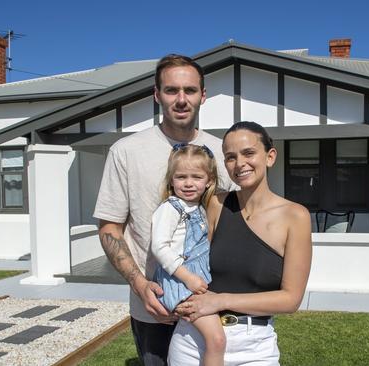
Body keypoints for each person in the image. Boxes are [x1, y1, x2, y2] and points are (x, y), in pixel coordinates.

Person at [93, 54, 233, 365]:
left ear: (203, 95)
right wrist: (139, 284)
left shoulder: (222, 153)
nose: (181, 100)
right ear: (157, 95)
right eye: (171, 90)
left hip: (209, 299)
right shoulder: (126, 152)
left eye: (190, 90)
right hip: (153, 307)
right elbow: (109, 229)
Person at [169, 121, 313, 365]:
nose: (240, 164)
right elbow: (185, 257)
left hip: (254, 346)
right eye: (230, 157)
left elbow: (291, 299)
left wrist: (221, 300)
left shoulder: (295, 217)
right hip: (194, 340)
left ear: (270, 156)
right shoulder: (216, 204)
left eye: (248, 153)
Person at [151, 143, 226, 366]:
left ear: (209, 181)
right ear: (171, 180)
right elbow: (160, 247)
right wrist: (188, 278)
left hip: (193, 281)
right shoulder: (171, 208)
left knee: (205, 339)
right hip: (180, 282)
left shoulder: (198, 208)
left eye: (196, 177)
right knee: (217, 339)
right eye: (181, 176)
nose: (189, 183)